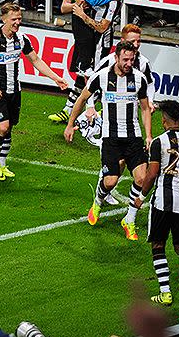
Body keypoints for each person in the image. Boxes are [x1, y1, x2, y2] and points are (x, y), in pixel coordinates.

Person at [64, 41, 152, 241]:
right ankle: (98, 200)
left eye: (132, 59)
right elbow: (81, 99)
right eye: (126, 59)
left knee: (141, 178)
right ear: (116, 58)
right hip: (111, 138)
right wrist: (70, 125)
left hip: (133, 137)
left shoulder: (139, 79)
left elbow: (145, 108)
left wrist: (148, 135)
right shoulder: (102, 77)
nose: (129, 63)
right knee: (111, 181)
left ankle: (129, 219)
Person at [0, 3, 68, 181]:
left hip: (14, 90)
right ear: (4, 19)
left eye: (19, 19)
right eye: (14, 19)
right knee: (2, 127)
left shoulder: (22, 39)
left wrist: (56, 78)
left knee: (9, 128)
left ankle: (3, 164)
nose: (18, 22)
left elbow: (36, 60)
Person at [135, 100, 179, 306]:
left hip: (162, 202)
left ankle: (165, 292)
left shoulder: (159, 142)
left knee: (158, 244)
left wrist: (141, 196)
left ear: (164, 121)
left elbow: (152, 173)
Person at [48, 0, 120, 123]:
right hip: (90, 38)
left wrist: (82, 14)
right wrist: (78, 5)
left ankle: (101, 110)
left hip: (101, 42)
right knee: (83, 73)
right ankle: (69, 109)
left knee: (94, 76)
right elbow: (66, 6)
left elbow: (102, 28)